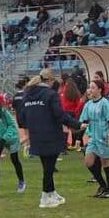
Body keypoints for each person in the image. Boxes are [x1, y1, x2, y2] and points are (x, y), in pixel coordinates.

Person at [18, 68, 79, 209]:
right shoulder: (51, 94)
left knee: (47, 166)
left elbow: (22, 117)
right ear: (50, 81)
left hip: (36, 136)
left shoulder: (27, 95)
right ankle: (45, 196)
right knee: (49, 168)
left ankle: (51, 192)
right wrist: (77, 124)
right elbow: (60, 115)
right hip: (51, 135)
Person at [79, 80, 109, 198]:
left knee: (105, 162)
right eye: (90, 88)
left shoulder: (105, 103)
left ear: (100, 89)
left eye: (93, 87)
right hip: (93, 137)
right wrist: (81, 129)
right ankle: (103, 185)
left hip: (104, 136)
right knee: (88, 162)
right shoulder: (88, 104)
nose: (90, 90)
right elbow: (84, 120)